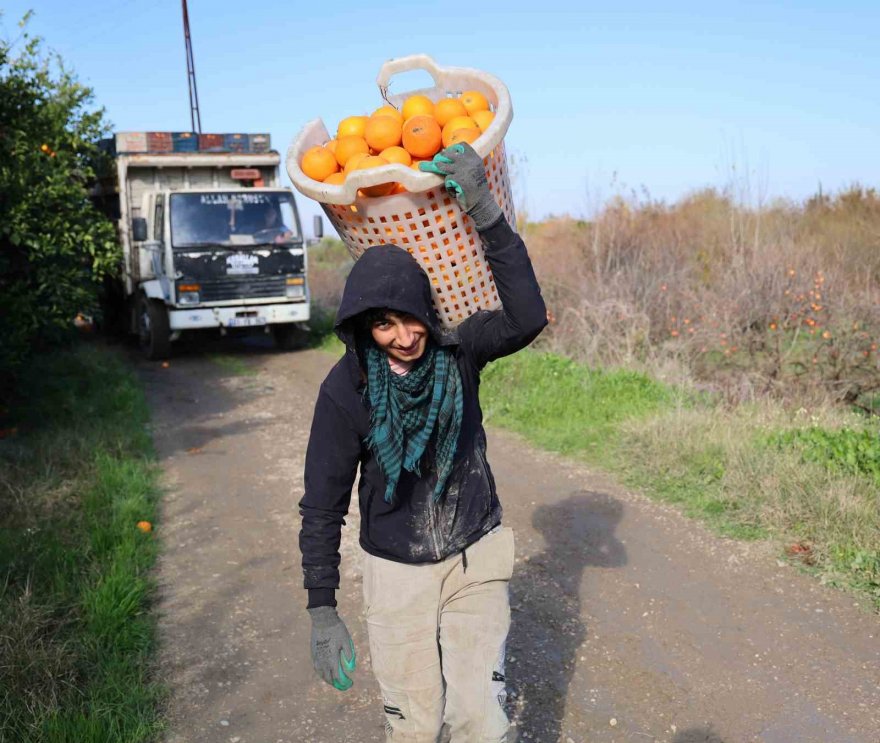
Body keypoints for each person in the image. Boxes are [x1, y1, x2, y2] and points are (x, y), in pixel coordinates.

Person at [299, 142, 547, 742]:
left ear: (427, 312)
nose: (404, 336)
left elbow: (527, 316)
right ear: (363, 327)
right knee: (414, 726)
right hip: (396, 571)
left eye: (411, 317)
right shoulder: (347, 390)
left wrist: (485, 212)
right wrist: (322, 608)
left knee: (480, 720)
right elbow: (323, 505)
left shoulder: (459, 352)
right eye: (384, 324)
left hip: (473, 554)